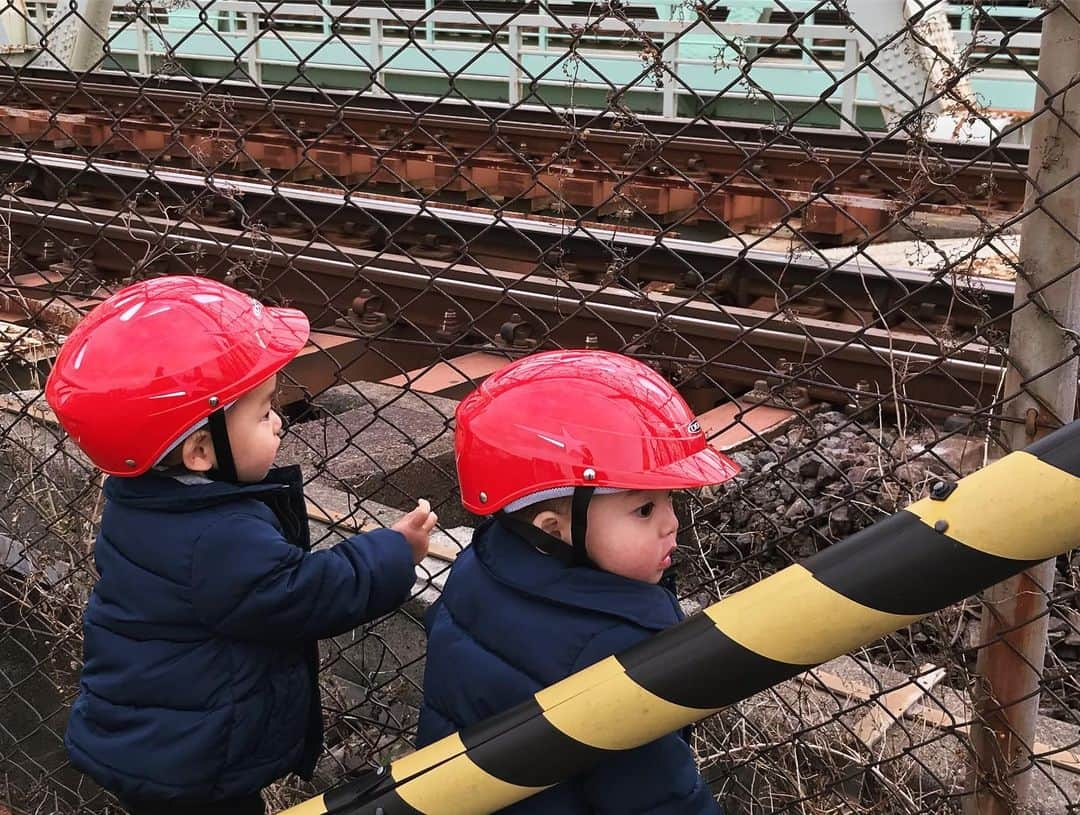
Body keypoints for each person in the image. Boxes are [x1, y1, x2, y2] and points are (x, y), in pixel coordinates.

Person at [45, 276, 435, 815]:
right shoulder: (217, 535)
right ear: (201, 452)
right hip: (199, 760)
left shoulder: (147, 503)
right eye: (264, 410)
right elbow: (298, 595)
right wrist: (392, 553)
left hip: (158, 739)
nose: (278, 421)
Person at [417, 349, 740, 813]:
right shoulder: (613, 650)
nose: (671, 524)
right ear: (553, 528)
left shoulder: (481, 566)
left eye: (670, 500)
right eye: (644, 509)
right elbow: (660, 798)